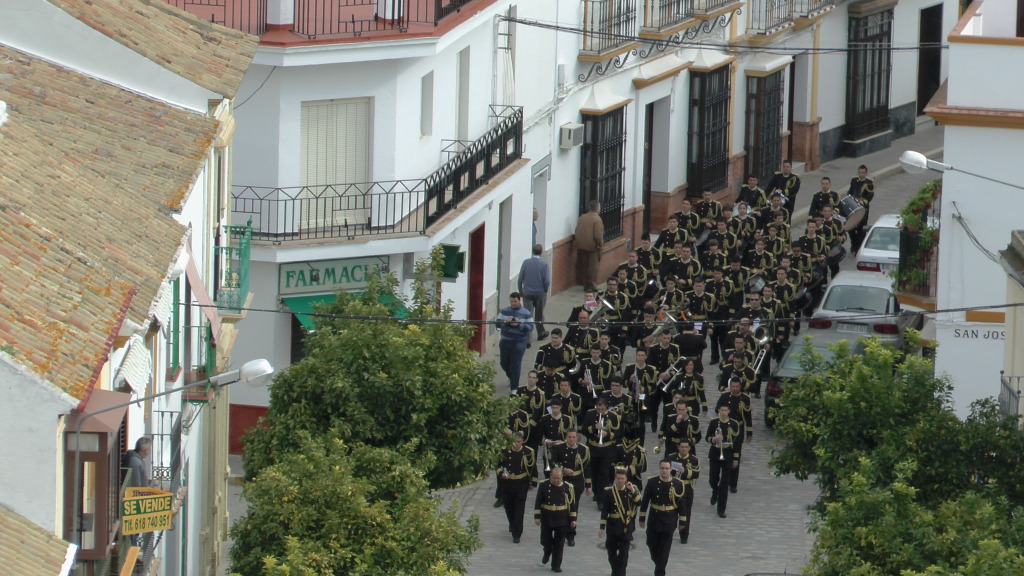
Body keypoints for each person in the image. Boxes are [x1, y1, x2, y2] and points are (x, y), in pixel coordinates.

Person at [639, 460, 687, 576]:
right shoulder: (652, 482)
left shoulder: (678, 484)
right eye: (662, 468)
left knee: (665, 549)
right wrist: (642, 518)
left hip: (669, 519)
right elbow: (645, 501)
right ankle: (659, 564)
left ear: (671, 469)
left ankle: (660, 572)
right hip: (655, 518)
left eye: (666, 468)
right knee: (651, 543)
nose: (664, 470)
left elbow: (681, 503)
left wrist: (682, 520)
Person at [550, 430, 592, 546]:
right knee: (561, 506)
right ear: (566, 437)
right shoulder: (559, 448)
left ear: (577, 438)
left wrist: (588, 485)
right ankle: (560, 531)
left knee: (573, 506)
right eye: (569, 437)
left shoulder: (583, 450)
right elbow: (553, 462)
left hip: (576, 481)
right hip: (562, 480)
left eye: (574, 437)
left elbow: (587, 468)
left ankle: (571, 534)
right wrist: (563, 470)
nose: (571, 439)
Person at [535, 466, 578, 573]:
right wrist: (537, 516)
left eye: (558, 478)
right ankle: (547, 551)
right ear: (550, 476)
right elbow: (538, 501)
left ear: (562, 476)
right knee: (545, 540)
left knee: (559, 544)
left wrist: (573, 519)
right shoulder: (544, 485)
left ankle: (556, 565)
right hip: (547, 516)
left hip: (562, 518)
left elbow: (572, 504)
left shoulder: (568, 487)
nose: (556, 480)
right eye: (554, 478)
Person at [599, 467, 641, 576]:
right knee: (611, 554)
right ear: (615, 478)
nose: (620, 481)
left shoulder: (631, 490)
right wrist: (601, 528)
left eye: (622, 478)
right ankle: (616, 571)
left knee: (624, 555)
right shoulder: (609, 492)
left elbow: (638, 503)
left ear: (626, 479)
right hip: (613, 526)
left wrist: (632, 490)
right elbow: (605, 511)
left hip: (626, 526)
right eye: (618, 478)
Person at [498, 432, 536, 543]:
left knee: (519, 508)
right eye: (514, 442)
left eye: (518, 442)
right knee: (509, 506)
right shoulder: (505, 451)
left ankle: (517, 533)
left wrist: (533, 482)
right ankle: (512, 523)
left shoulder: (528, 452)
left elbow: (532, 467)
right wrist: (502, 474)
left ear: (522, 441)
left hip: (521, 483)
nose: (516, 444)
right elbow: (498, 466)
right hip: (508, 483)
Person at [706, 405, 742, 518]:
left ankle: (721, 509)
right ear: (718, 411)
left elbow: (737, 442)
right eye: (722, 410)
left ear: (729, 411)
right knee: (713, 479)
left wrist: (736, 458)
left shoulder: (734, 424)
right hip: (715, 453)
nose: (724, 412)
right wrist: (714, 439)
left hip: (727, 454)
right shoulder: (714, 423)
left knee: (724, 483)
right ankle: (715, 491)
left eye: (726, 410)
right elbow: (707, 437)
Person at [664, 437, 700, 543]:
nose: (684, 449)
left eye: (686, 447)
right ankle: (669, 532)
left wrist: (685, 472)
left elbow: (696, 474)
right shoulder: (672, 457)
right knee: (671, 511)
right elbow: (665, 470)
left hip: (687, 488)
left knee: (686, 512)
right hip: (674, 487)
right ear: (678, 447)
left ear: (689, 448)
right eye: (682, 447)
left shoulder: (694, 459)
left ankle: (684, 536)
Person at [497, 292, 534, 393]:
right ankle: (511, 376)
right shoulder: (504, 311)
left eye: (515, 301)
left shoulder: (526, 313)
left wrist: (519, 325)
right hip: (505, 340)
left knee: (516, 364)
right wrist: (506, 323)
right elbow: (497, 323)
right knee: (504, 363)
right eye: (511, 301)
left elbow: (530, 326)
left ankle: (514, 388)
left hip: (519, 342)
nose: (513, 303)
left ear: (519, 301)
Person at [519, 243, 551, 341]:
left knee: (527, 315)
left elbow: (520, 278)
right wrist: (545, 289)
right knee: (539, 314)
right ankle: (540, 332)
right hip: (540, 292)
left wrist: (521, 290)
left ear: (532, 251)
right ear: (541, 252)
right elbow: (547, 280)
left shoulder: (526, 262)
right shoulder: (544, 264)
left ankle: (527, 338)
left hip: (527, 292)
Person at [575, 200, 605, 291]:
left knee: (584, 266)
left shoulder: (582, 217)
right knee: (593, 267)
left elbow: (577, 230)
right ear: (597, 208)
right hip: (592, 247)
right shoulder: (597, 219)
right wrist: (601, 244)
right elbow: (598, 234)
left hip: (581, 246)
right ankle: (591, 286)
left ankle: (585, 284)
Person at [848, 164, 875, 255]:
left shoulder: (869, 183)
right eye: (860, 172)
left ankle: (858, 248)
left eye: (863, 173)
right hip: (853, 207)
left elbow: (870, 195)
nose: (861, 174)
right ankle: (854, 243)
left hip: (863, 208)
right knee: (850, 227)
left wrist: (865, 201)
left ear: (866, 173)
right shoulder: (854, 180)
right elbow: (851, 191)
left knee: (861, 229)